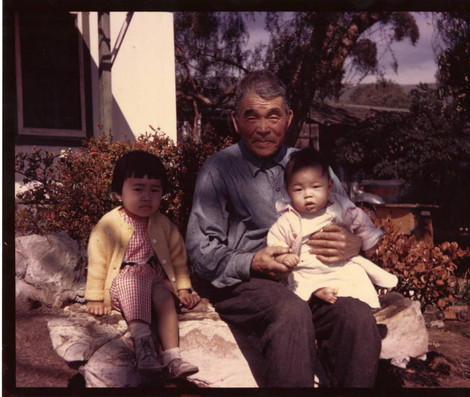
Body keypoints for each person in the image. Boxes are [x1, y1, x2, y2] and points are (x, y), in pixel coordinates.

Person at [185, 70, 381, 387]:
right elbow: (201, 250)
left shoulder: (310, 163)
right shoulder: (219, 169)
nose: (263, 128)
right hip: (247, 283)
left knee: (356, 318)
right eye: (252, 117)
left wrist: (355, 244)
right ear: (236, 121)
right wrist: (252, 262)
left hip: (316, 279)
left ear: (288, 119)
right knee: (289, 312)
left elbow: (352, 218)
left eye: (273, 116)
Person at [84, 150, 200, 381]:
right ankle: (144, 346)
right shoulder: (109, 224)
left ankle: (172, 357)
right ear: (119, 193)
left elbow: (178, 258)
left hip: (153, 276)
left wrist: (183, 288)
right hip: (123, 279)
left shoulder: (163, 223)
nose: (147, 197)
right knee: (132, 286)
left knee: (164, 296)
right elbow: (98, 262)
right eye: (138, 189)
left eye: (154, 190)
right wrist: (94, 297)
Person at [268, 147, 398, 308]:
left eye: (315, 187)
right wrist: (284, 257)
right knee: (299, 280)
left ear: (329, 186)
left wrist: (368, 243)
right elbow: (277, 240)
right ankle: (318, 292)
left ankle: (367, 305)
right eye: (299, 189)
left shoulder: (340, 207)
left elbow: (361, 222)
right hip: (306, 268)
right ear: (288, 192)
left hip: (340, 265)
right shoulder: (289, 219)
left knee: (356, 275)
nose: (308, 194)